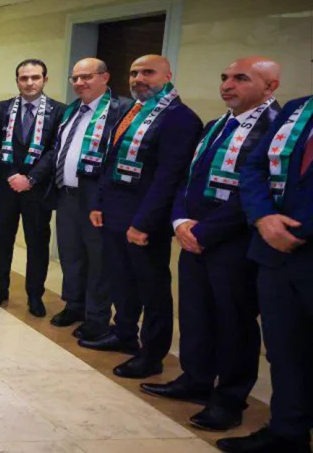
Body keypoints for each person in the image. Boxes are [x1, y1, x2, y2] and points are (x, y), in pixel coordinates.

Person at [141, 57, 281, 432]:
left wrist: (206, 231)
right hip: (193, 236)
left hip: (234, 242)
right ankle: (196, 378)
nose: (227, 85)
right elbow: (188, 178)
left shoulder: (276, 128)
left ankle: (229, 398)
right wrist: (180, 220)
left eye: (240, 78)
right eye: (224, 77)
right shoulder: (217, 124)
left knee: (233, 322)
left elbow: (256, 190)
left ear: (270, 86)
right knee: (195, 313)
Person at [84, 54, 202, 379]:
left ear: (168, 76)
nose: (138, 79)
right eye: (134, 73)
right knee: (121, 280)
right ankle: (124, 333)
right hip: (115, 213)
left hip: (146, 221)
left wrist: (143, 223)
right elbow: (110, 160)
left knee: (152, 289)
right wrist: (99, 202)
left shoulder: (180, 118)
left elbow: (169, 177)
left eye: (148, 73)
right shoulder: (133, 112)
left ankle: (151, 355)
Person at [217, 93, 313, 453]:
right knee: (285, 350)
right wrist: (262, 216)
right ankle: (287, 432)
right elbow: (254, 167)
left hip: (300, 241)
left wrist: (300, 228)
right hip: (274, 251)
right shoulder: (297, 109)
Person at [50, 58, 132, 342]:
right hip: (67, 195)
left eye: (86, 77)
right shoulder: (72, 110)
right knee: (71, 254)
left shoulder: (122, 110)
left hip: (97, 200)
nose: (79, 83)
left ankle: (97, 317)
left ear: (105, 77)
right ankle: (74, 305)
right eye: (75, 78)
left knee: (98, 260)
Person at [0, 59, 65, 317]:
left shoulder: (59, 111)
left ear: (45, 79)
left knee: (37, 243)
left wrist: (31, 179)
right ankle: (0, 288)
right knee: (2, 239)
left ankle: (35, 295)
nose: (29, 83)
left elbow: (55, 150)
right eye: (24, 78)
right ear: (17, 80)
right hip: (4, 185)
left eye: (35, 77)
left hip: (37, 189)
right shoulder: (1, 108)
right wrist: (12, 175)